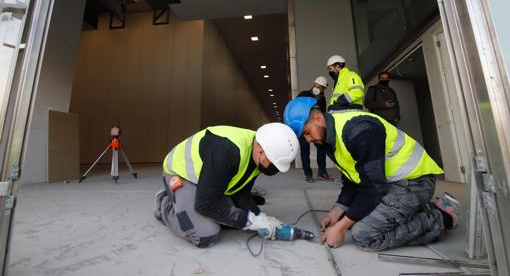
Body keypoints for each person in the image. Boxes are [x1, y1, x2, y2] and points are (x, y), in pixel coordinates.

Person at [283, 97, 460, 251]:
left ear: (317, 118)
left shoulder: (359, 131)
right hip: (391, 183)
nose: (308, 140)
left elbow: (373, 189)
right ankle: (425, 207)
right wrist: (337, 212)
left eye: (307, 132)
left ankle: (441, 219)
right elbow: (353, 178)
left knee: (365, 234)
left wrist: (341, 228)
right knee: (351, 216)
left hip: (414, 182)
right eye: (303, 137)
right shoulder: (329, 138)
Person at [153, 123, 299, 248]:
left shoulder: (257, 153)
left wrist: (260, 216)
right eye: (273, 163)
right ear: (260, 151)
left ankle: (184, 203)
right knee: (205, 234)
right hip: (181, 174)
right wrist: (251, 221)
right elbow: (206, 204)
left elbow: (241, 192)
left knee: (227, 219)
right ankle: (165, 204)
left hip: (208, 180)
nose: (274, 169)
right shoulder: (226, 150)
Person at [297, 76, 332, 182]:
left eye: (320, 87)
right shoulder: (304, 94)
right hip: (304, 126)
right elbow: (296, 107)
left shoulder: (323, 100)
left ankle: (322, 172)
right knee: (305, 150)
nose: (316, 88)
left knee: (321, 148)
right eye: (315, 85)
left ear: (324, 89)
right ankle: (308, 174)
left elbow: (322, 113)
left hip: (316, 129)